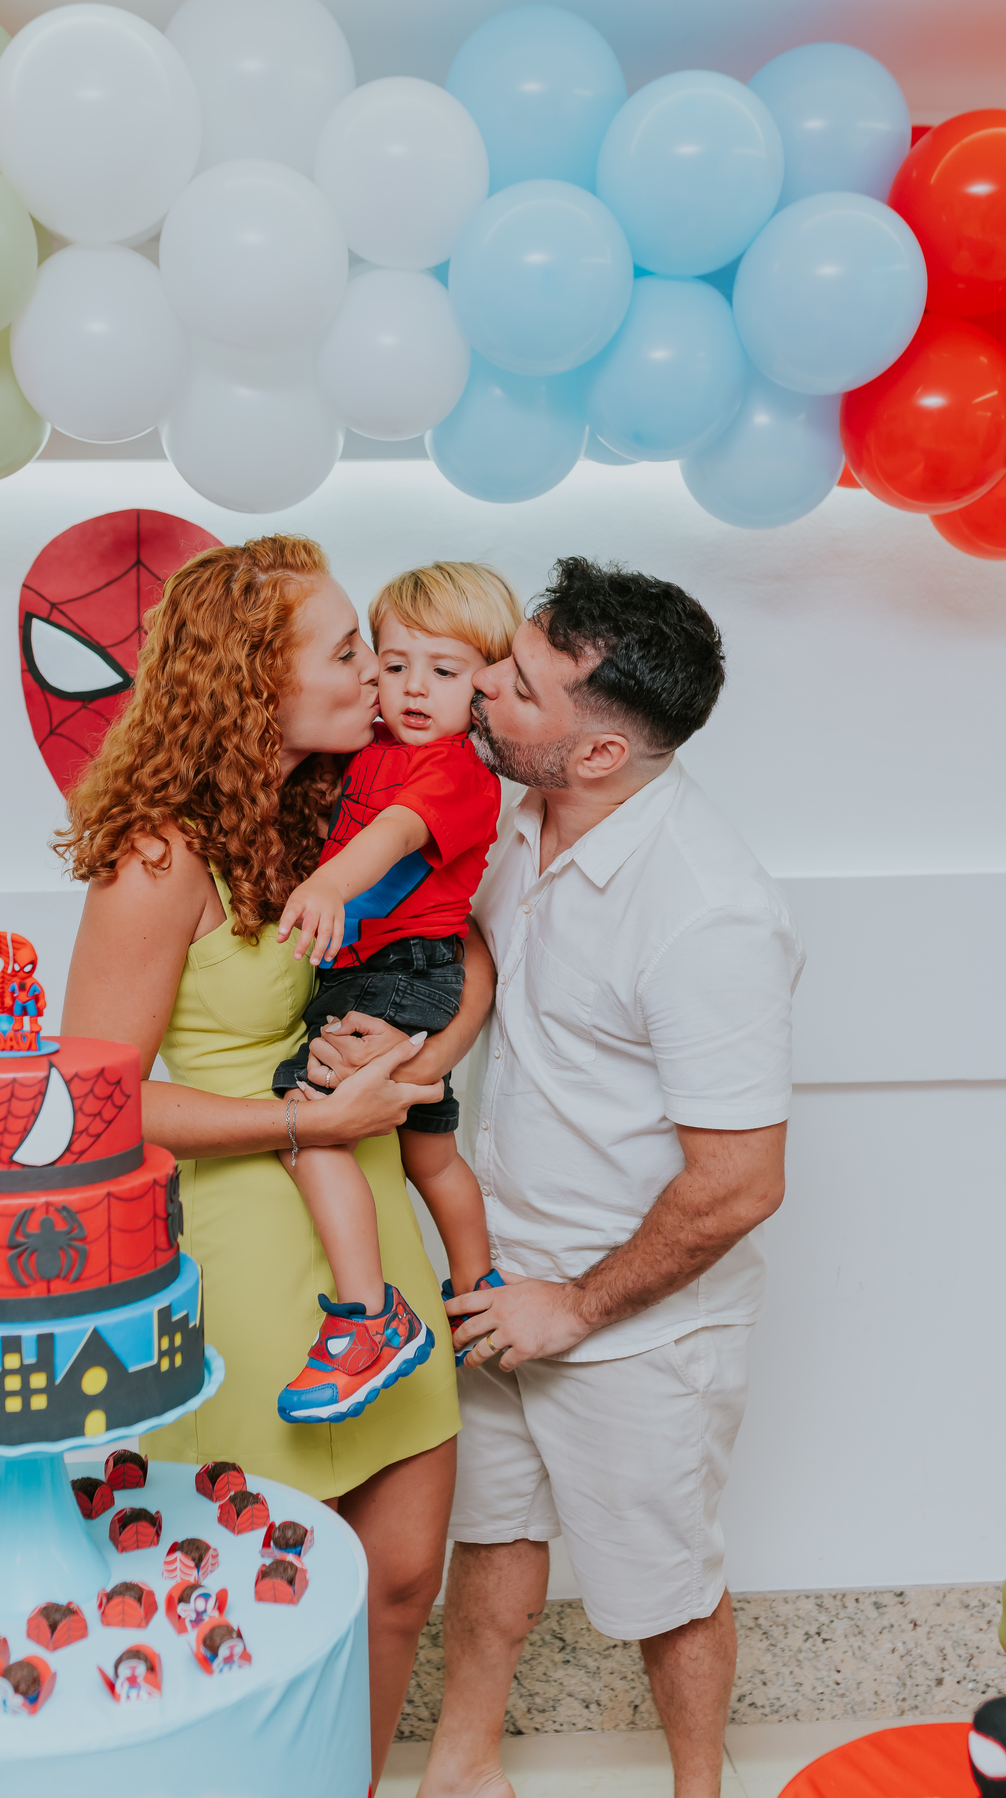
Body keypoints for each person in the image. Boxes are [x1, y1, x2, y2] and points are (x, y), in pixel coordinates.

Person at [314, 559, 804, 1798]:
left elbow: (743, 1183)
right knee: (492, 1546)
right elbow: (474, 962)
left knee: (665, 1592)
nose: (482, 685)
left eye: (518, 683)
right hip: (495, 1282)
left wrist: (576, 1306)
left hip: (633, 1322)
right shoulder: (517, 809)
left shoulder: (708, 914)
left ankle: (705, 1787)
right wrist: (409, 1049)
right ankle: (464, 1769)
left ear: (597, 753)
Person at [56, 534, 491, 1787]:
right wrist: (315, 1122)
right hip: (243, 1246)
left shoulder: (337, 808)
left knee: (403, 1575)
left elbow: (468, 956)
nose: (379, 674)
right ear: (256, 679)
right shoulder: (159, 855)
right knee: (249, 1598)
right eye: (348, 649)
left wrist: (412, 1065)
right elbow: (101, 1104)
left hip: (369, 1216)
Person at [270, 565, 522, 1426]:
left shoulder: (455, 771)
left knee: (309, 1119)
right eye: (394, 661)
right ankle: (474, 1283)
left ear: (483, 690)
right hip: (389, 968)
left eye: (445, 673)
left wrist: (329, 887)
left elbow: (394, 833)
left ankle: (366, 1316)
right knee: (428, 1155)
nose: (414, 688)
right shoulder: (375, 743)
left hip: (406, 971)